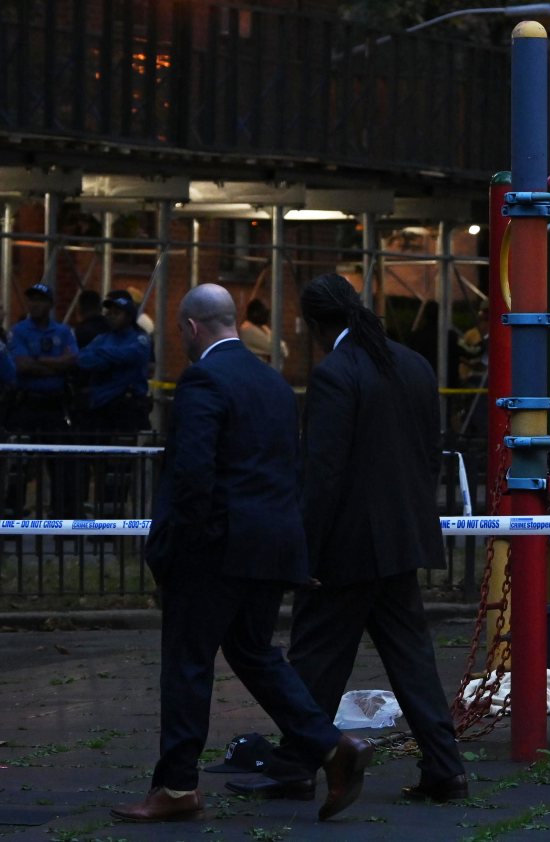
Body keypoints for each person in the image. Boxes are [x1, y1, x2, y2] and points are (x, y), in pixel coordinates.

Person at [111, 283, 373, 824]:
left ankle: (178, 786)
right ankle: (329, 745)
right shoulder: (274, 383)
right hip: (269, 548)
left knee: (187, 665)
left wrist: (175, 549)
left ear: (189, 328)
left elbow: (193, 474)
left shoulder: (203, 379)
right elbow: (285, 470)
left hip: (214, 552)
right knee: (255, 654)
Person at [227, 273, 467, 804]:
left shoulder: (336, 374)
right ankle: (445, 765)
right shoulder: (412, 364)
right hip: (400, 540)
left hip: (348, 547)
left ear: (315, 323)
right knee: (412, 658)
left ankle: (294, 765)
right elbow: (429, 454)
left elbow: (323, 475)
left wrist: (304, 550)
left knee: (315, 655)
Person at [6, 284, 79, 516]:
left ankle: (61, 517)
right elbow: (21, 365)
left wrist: (37, 360)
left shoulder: (63, 332)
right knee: (20, 464)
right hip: (27, 404)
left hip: (54, 406)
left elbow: (72, 361)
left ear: (50, 304)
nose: (34, 304)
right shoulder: (19, 331)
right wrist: (55, 364)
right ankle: (12, 516)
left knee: (60, 463)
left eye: (40, 300)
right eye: (31, 300)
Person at [76, 290, 151, 434]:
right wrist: (112, 358)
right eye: (109, 312)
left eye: (117, 313)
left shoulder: (140, 339)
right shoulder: (102, 338)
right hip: (100, 407)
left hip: (128, 408)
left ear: (129, 317)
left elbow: (132, 355)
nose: (111, 316)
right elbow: (82, 359)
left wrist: (102, 354)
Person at [238, 298, 289, 364]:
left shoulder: (262, 327)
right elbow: (276, 348)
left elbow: (281, 346)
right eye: (265, 313)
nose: (267, 317)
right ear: (255, 313)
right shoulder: (248, 329)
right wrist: (280, 346)